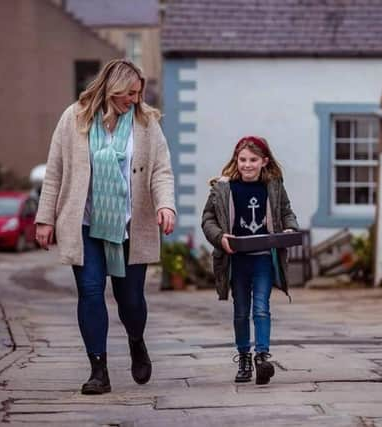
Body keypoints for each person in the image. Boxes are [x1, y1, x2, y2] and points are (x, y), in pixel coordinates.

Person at [34, 59, 176, 395]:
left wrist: (165, 204)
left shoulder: (146, 122)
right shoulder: (75, 118)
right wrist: (45, 218)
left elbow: (161, 171)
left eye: (138, 94)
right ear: (112, 88)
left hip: (130, 225)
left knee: (131, 303)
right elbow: (54, 171)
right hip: (85, 225)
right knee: (91, 293)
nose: (134, 99)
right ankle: (98, 369)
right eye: (129, 93)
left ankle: (136, 340)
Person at [201, 136, 298, 385]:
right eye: (242, 159)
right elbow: (208, 220)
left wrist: (289, 229)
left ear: (264, 161)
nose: (247, 165)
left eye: (253, 160)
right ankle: (244, 356)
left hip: (263, 257)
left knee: (261, 308)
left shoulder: (273, 187)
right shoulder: (223, 188)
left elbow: (286, 211)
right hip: (236, 259)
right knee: (241, 311)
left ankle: (262, 357)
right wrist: (220, 237)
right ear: (236, 160)